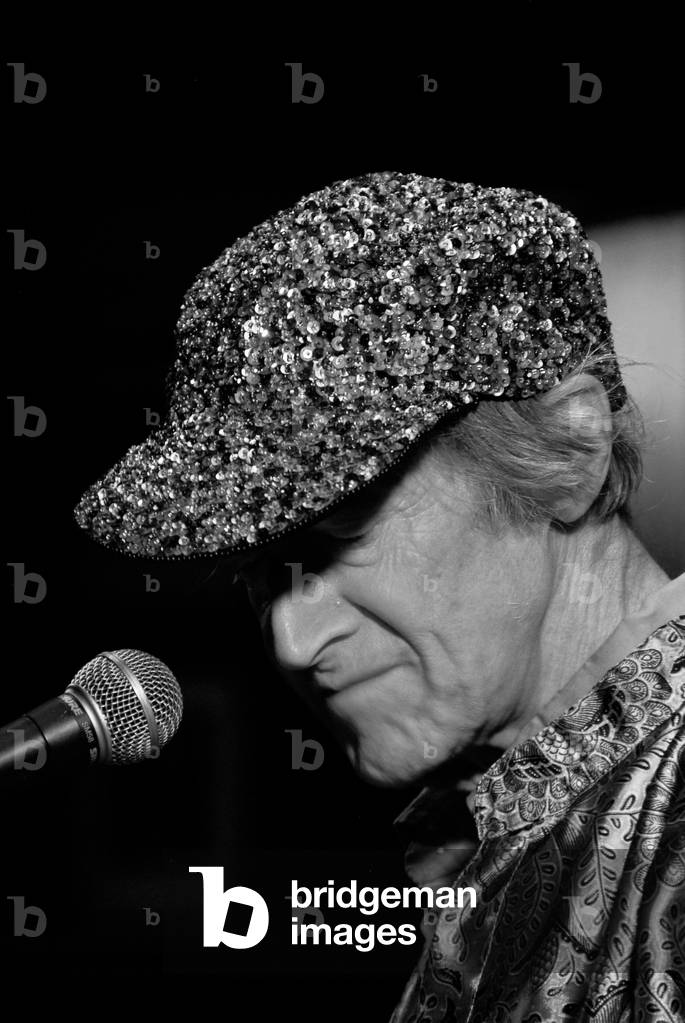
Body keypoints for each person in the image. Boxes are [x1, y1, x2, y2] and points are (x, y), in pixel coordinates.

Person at [74, 172, 684, 1021]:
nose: (290, 637)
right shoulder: (489, 838)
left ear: (568, 452)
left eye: (342, 533)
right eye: (259, 572)